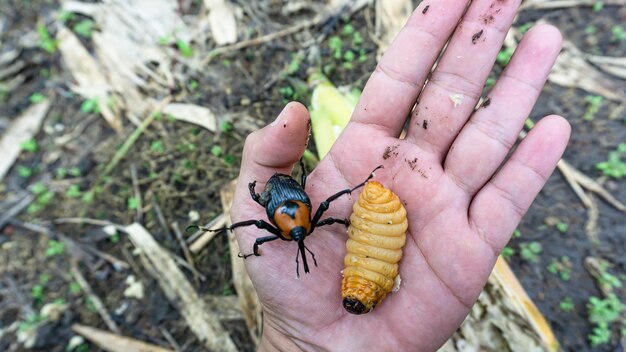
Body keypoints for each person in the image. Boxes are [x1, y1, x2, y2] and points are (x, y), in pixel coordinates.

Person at [229, 0, 570, 350]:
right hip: (348, 218)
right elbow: (316, 213)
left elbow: (316, 213)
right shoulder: (299, 224)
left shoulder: (295, 224)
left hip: (352, 218)